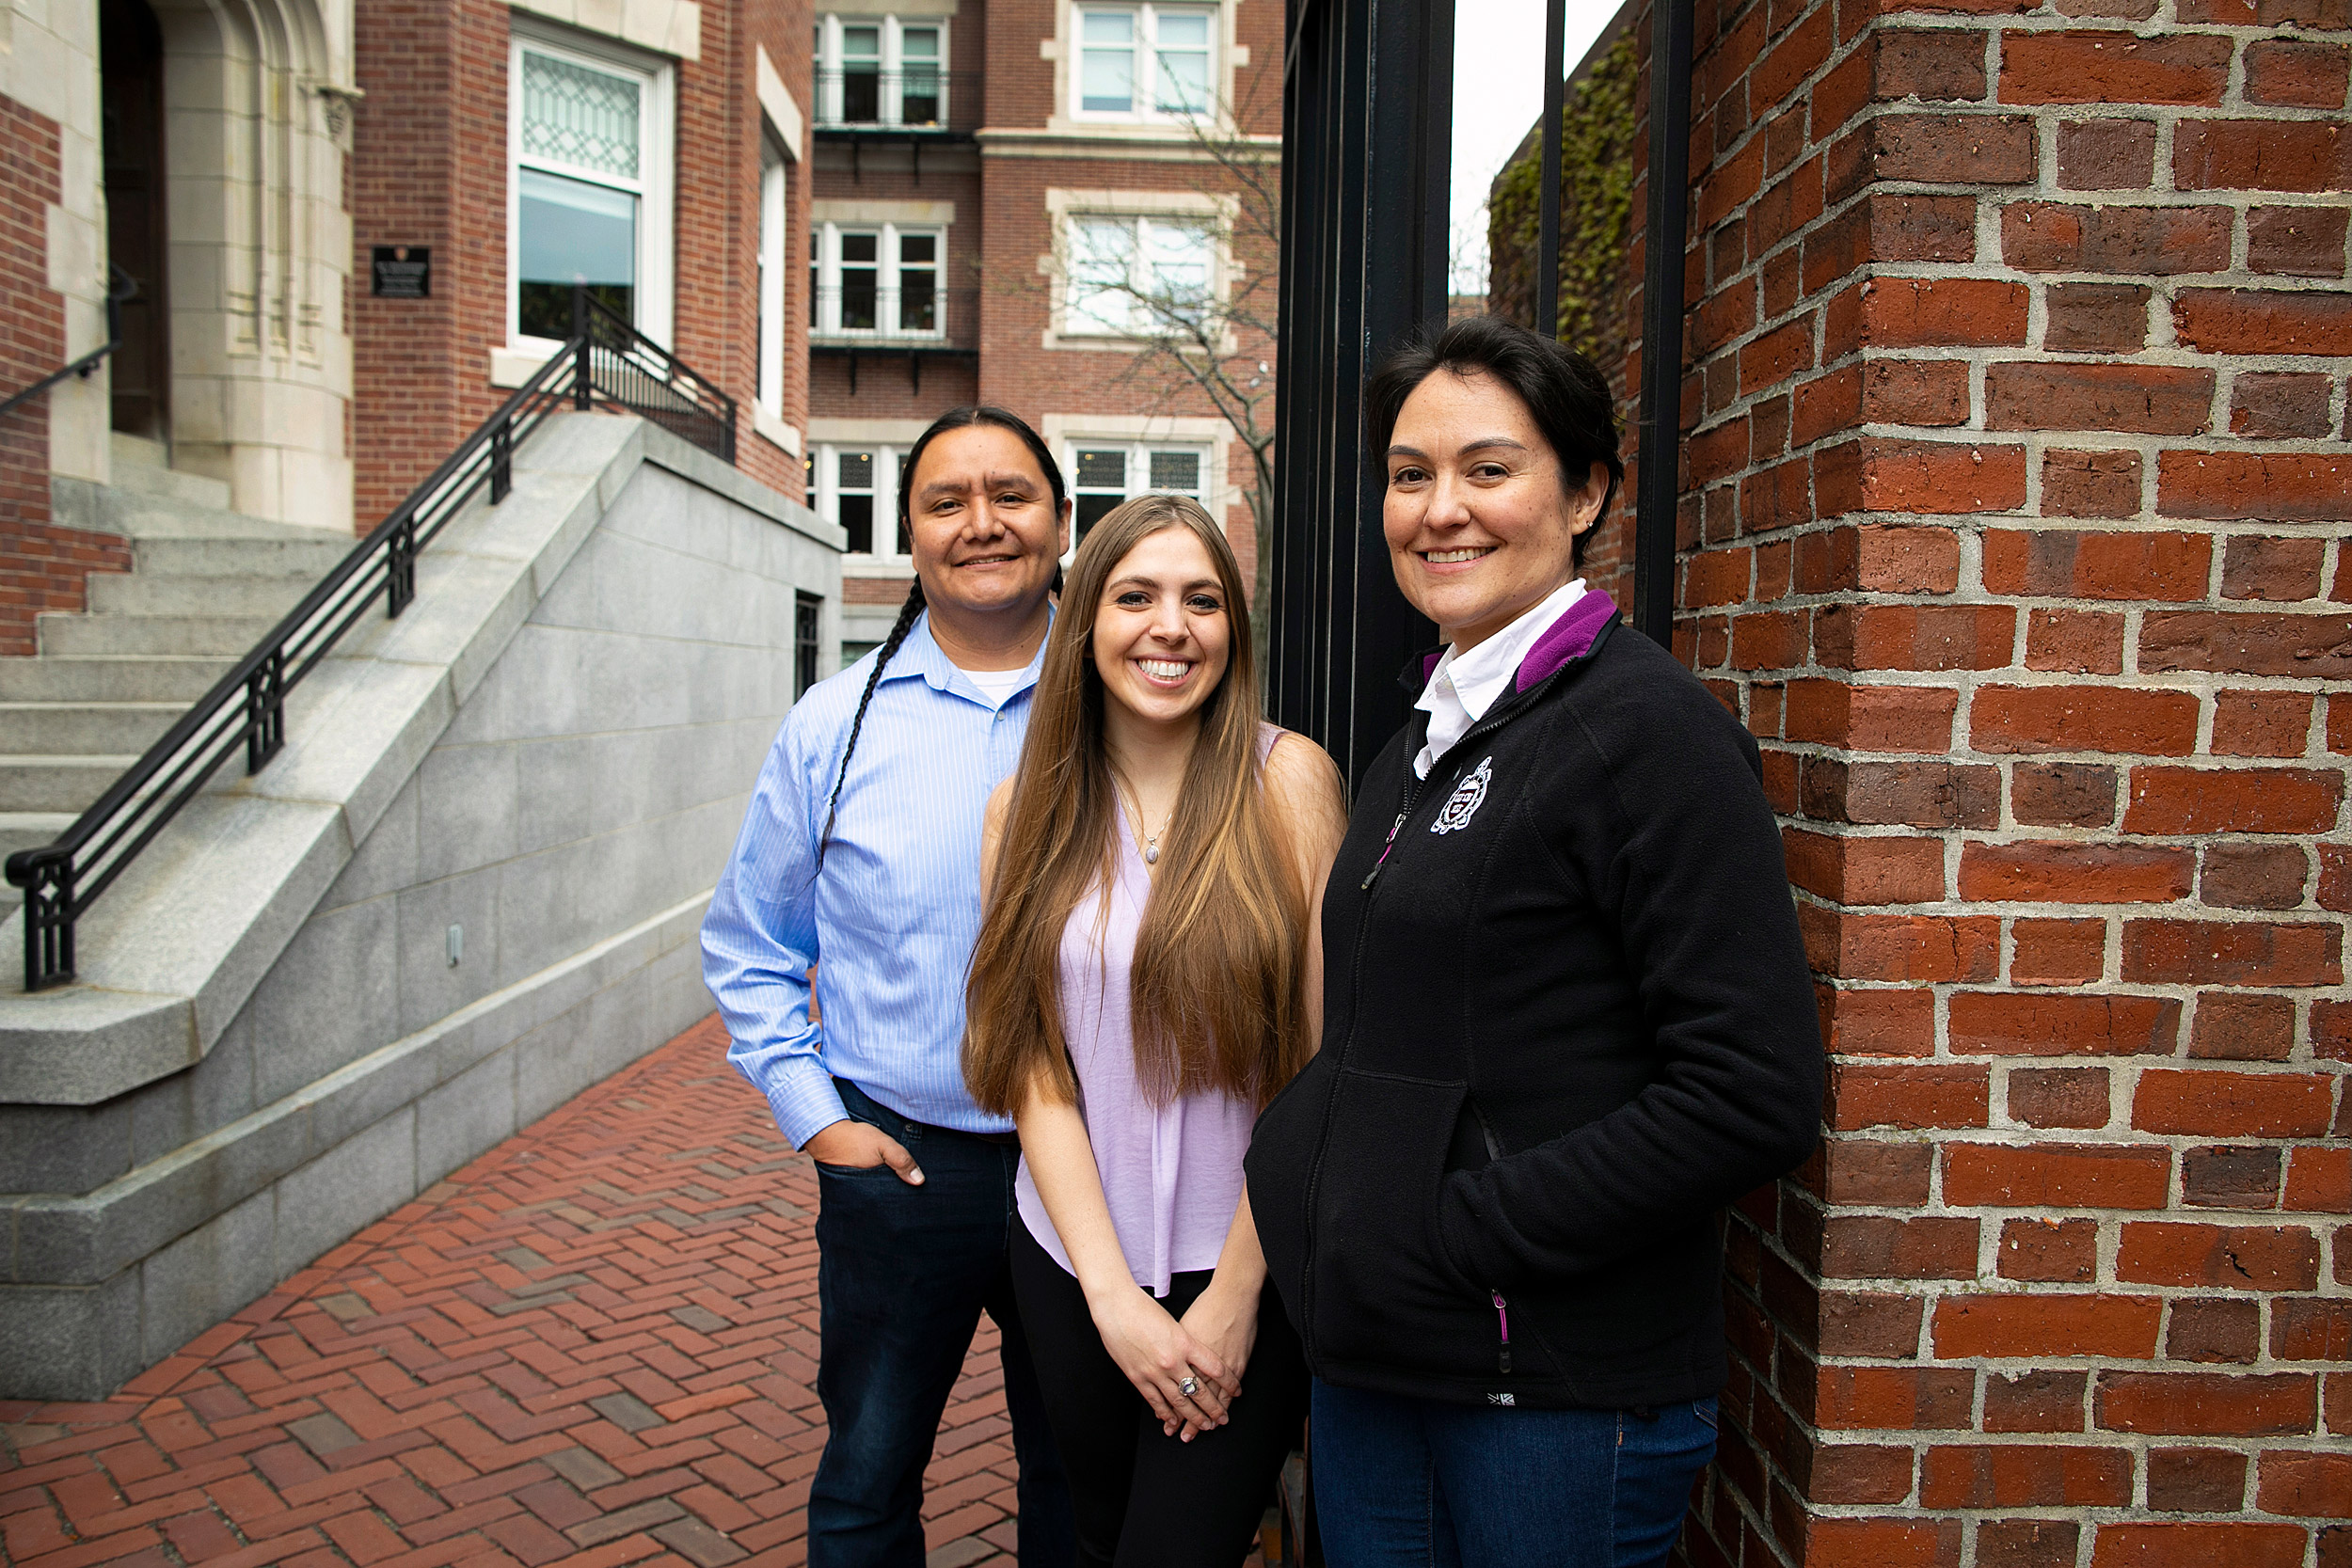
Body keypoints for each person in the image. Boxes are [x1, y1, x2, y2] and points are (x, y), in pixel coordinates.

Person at [1245, 316, 1824, 1568]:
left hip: (1550, 1400)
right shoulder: (1425, 734)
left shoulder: (1644, 731)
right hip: (1383, 1362)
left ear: (1587, 494)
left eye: (1487, 469)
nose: (1440, 509)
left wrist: (1456, 1231)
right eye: (1410, 475)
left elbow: (1753, 1091)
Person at [703, 406, 1078, 1568]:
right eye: (946, 500)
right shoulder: (833, 723)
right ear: (908, 532)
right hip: (901, 1163)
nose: (983, 524)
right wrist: (820, 1121)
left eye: (1011, 495)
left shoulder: (1135, 701)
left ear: (1062, 521)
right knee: (866, 1480)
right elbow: (749, 940)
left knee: (1080, 1483)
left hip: (1096, 1174)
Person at [962, 495, 1347, 1568]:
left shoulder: (1290, 784)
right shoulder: (1021, 808)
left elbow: (1313, 1066)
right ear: (1085, 619)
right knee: (1096, 1534)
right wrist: (1107, 1295)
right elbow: (1029, 1060)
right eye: (1135, 595)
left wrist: (1231, 1300)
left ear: (1234, 628)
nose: (1170, 626)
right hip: (1073, 1261)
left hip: (1242, 1270)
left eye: (1202, 599)